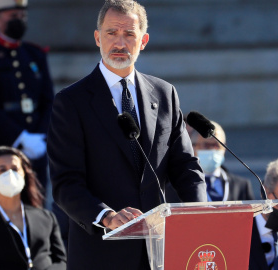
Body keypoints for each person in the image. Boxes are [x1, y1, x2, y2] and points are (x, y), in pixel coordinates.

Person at [47, 1, 208, 269]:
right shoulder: (71, 102)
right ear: (98, 37)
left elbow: (185, 166)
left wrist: (200, 213)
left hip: (161, 251)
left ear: (143, 40)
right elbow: (66, 183)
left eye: (129, 34)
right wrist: (107, 216)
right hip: (103, 253)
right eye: (111, 33)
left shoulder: (164, 93)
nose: (120, 43)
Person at [0, 0, 54, 190]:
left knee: (36, 206)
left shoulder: (35, 54)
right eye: (13, 16)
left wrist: (40, 137)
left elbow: (48, 101)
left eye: (22, 15)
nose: (19, 20)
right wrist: (21, 138)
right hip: (0, 144)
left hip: (36, 147)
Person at [0, 146, 66, 269]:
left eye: (15, 169)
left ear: (24, 175)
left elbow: (62, 261)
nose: (9, 174)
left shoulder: (46, 218)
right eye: (2, 170)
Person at [190, 120, 254, 201]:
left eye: (216, 145)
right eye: (206, 145)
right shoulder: (179, 186)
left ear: (224, 148)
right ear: (193, 147)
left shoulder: (241, 186)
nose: (212, 149)